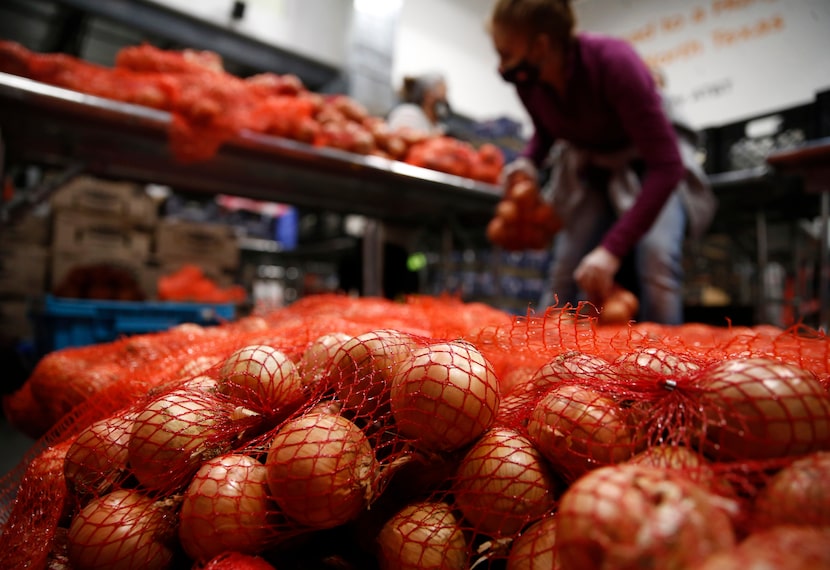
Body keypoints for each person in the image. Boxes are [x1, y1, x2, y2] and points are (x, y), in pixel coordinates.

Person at [488, 0, 715, 324]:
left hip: (651, 168)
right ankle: (537, 357)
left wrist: (611, 250)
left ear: (540, 46)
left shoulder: (614, 62)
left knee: (657, 262)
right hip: (594, 169)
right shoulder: (530, 82)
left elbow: (667, 166)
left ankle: (668, 366)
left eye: (506, 53)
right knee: (565, 267)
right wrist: (528, 162)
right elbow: (546, 130)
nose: (500, 66)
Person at [387, 72, 451, 135]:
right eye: (443, 96)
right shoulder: (408, 115)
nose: (445, 101)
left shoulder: (438, 126)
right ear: (428, 96)